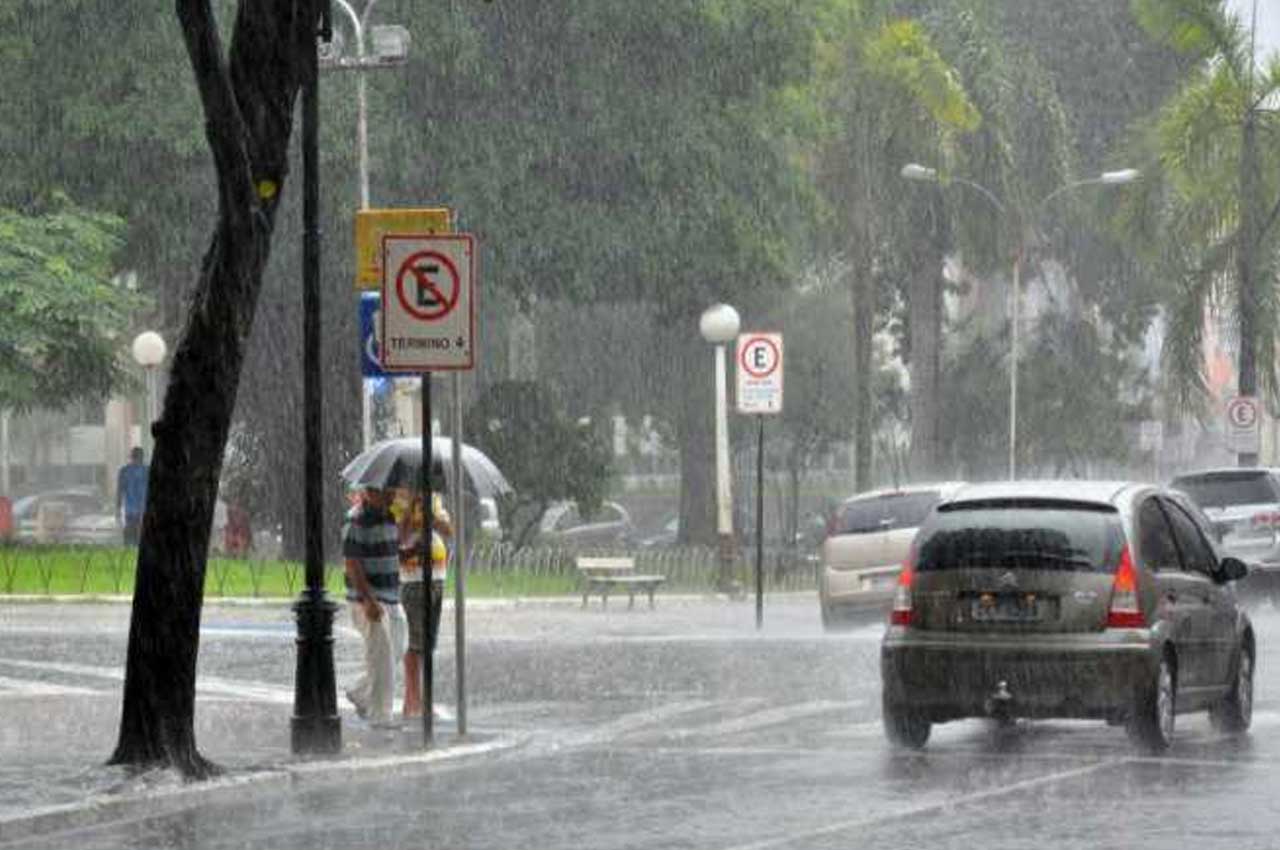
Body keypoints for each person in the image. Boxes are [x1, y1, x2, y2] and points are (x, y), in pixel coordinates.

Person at [341, 485, 402, 728]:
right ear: (369, 492)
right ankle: (380, 715)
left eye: (392, 490)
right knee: (382, 655)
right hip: (369, 599)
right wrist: (368, 599)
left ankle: (360, 692)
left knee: (397, 647)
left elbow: (394, 548)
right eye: (386, 491)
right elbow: (352, 563)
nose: (392, 494)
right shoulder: (356, 520)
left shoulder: (390, 516)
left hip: (391, 596)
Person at [397, 487, 453, 718]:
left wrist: (433, 517)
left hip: (437, 578)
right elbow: (399, 535)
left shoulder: (435, 501)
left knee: (428, 643)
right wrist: (411, 506)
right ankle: (412, 702)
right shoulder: (399, 501)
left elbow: (449, 531)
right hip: (414, 579)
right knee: (413, 643)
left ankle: (422, 700)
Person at [116, 447, 148, 546]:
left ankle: (129, 550)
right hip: (139, 509)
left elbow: (120, 491)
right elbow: (120, 490)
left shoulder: (124, 471)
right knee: (136, 534)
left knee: (131, 533)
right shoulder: (147, 470)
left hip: (132, 510)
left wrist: (117, 507)